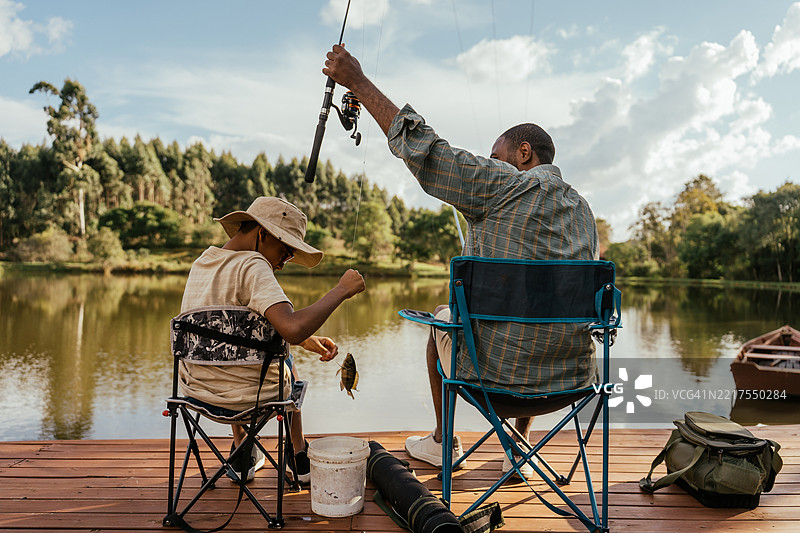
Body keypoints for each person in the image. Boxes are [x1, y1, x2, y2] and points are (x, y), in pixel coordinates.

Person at [322, 45, 598, 479]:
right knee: (537, 326)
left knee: (442, 321)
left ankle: (441, 442)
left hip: (496, 380)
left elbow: (428, 152)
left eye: (496, 156)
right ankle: (518, 444)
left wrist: (356, 81)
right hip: (570, 379)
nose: (492, 164)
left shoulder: (506, 185)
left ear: (524, 154)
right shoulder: (583, 212)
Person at [179, 196, 365, 483]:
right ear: (263, 233)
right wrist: (340, 290)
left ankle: (243, 450)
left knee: (235, 360)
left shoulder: (202, 263)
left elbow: (228, 330)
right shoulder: (253, 265)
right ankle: (297, 455)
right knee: (283, 359)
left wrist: (307, 340)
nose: (283, 263)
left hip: (197, 391)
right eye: (285, 250)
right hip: (251, 397)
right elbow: (291, 328)